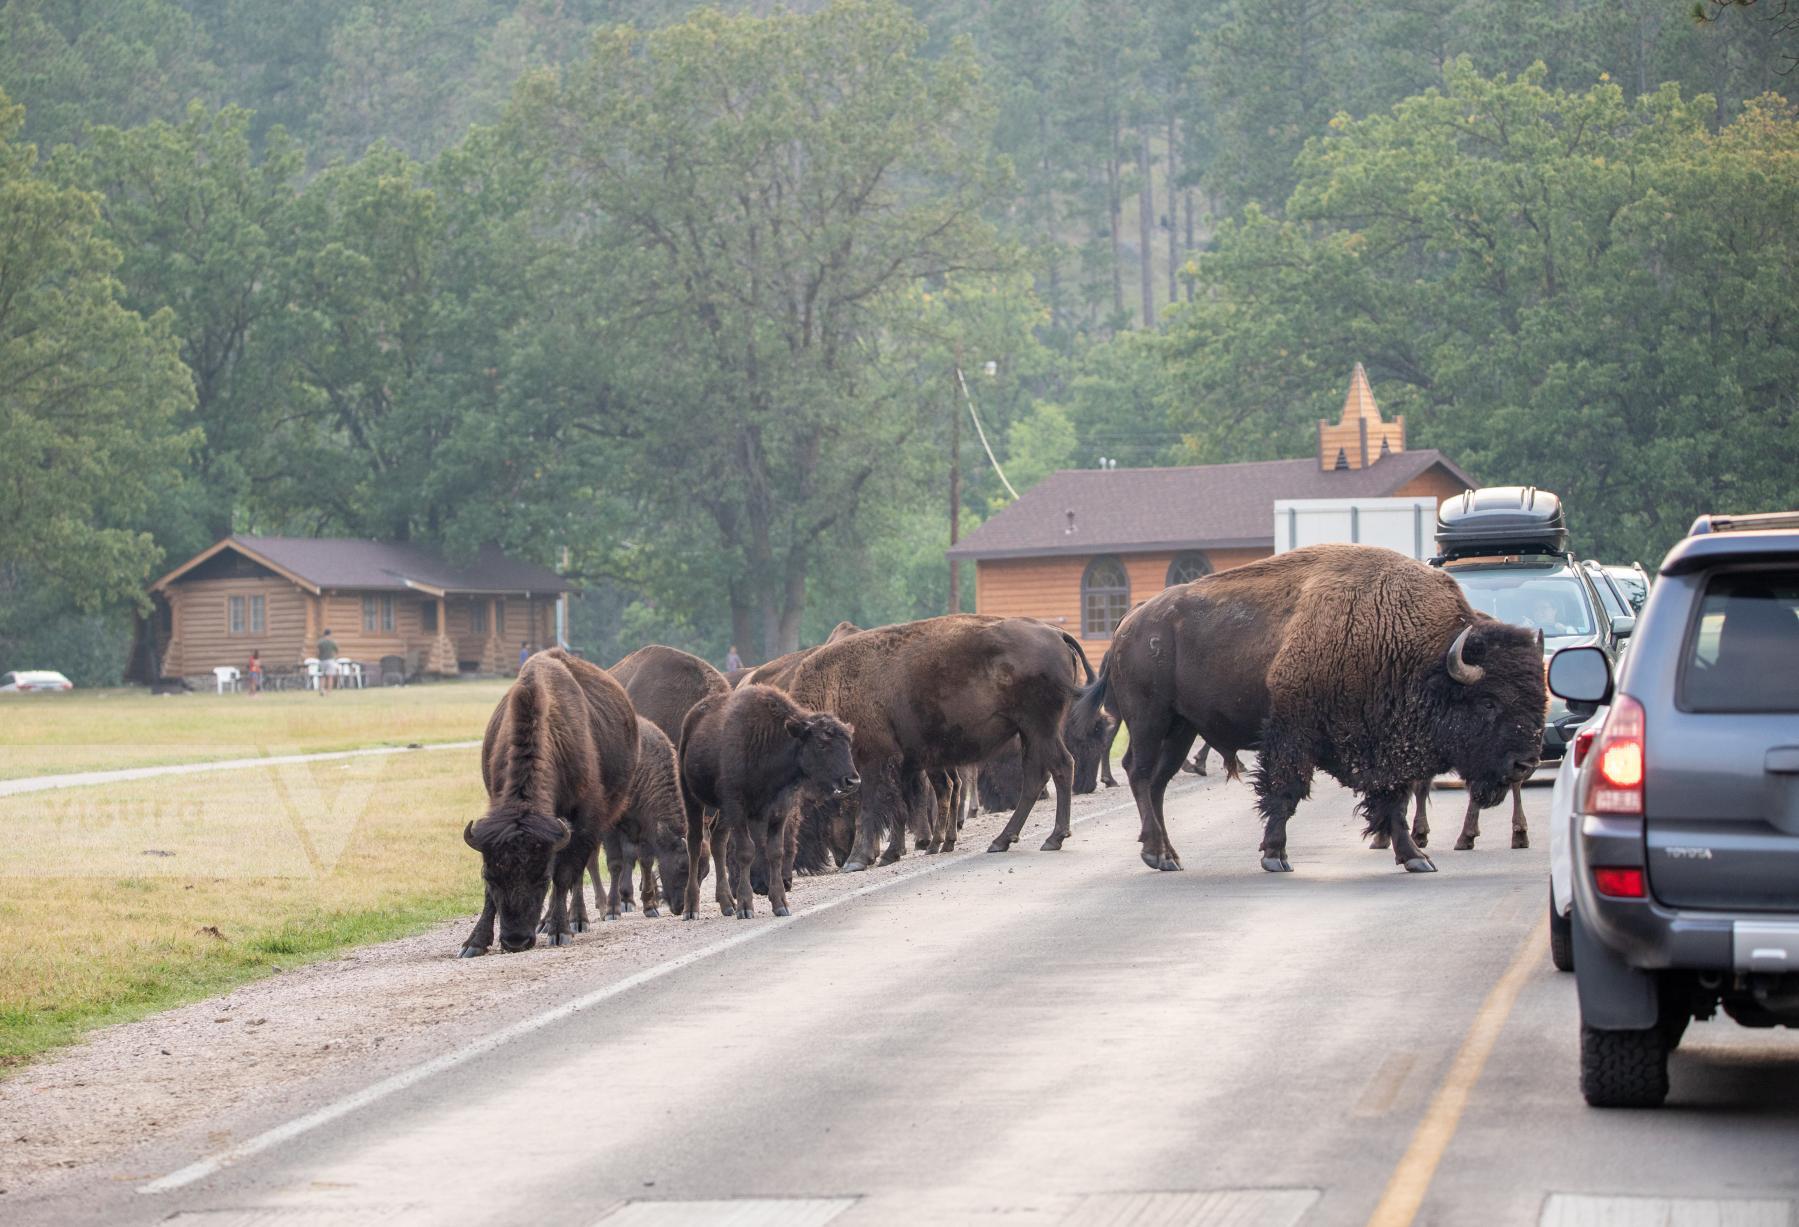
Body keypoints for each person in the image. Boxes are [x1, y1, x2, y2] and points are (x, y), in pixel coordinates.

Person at [317, 628, 339, 695]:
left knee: (322, 676)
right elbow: (336, 651)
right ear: (330, 634)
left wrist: (319, 657)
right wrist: (334, 658)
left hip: (322, 661)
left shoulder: (320, 642)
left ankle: (321, 690)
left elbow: (317, 652)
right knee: (330, 677)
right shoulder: (332, 642)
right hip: (330, 660)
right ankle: (328, 692)